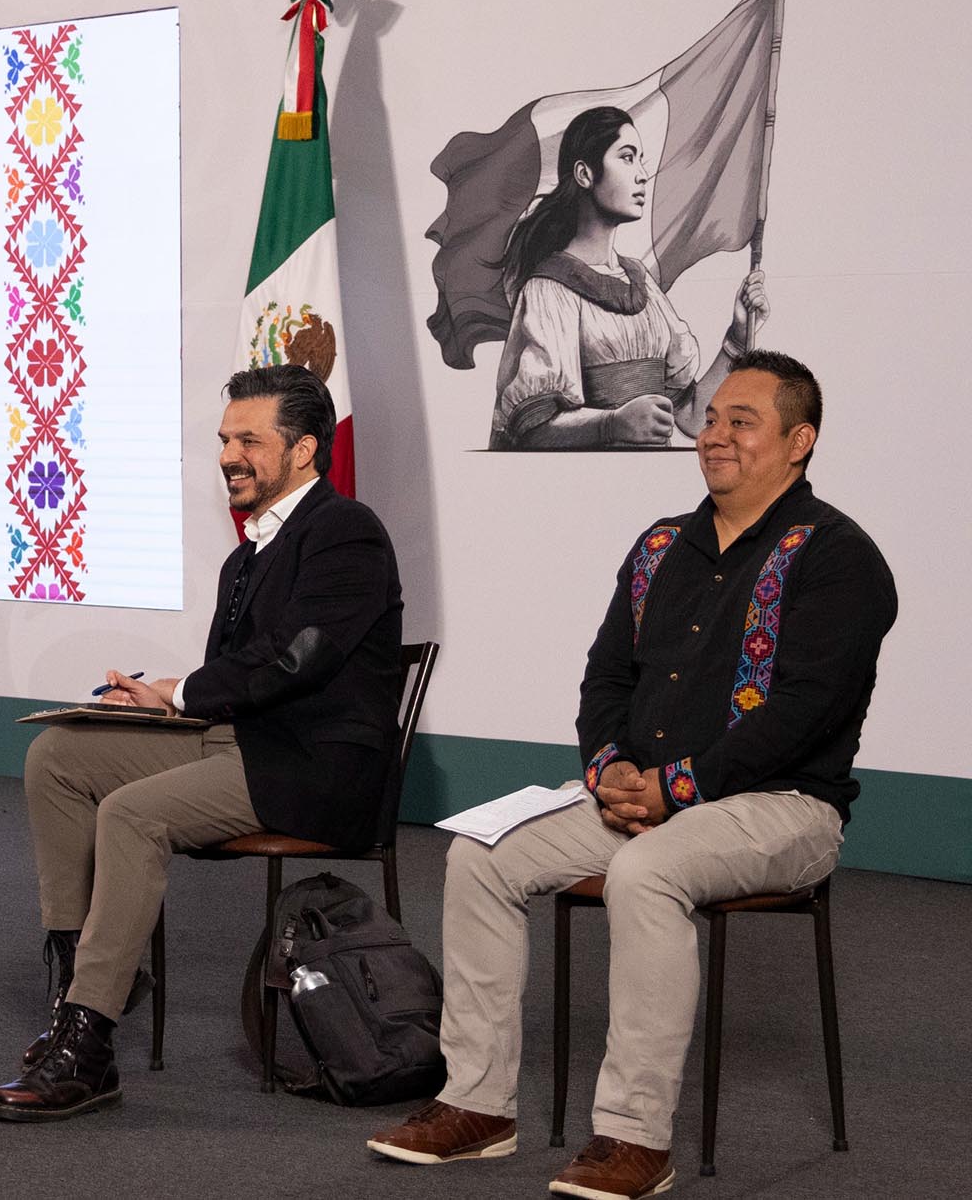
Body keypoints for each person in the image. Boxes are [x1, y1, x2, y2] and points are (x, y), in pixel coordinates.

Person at [369, 351, 896, 1199]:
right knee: (478, 854)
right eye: (711, 417)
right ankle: (477, 1104)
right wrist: (610, 766)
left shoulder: (838, 557)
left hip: (784, 808)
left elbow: (803, 712)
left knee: (646, 872)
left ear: (799, 442)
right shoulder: (659, 546)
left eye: (742, 421)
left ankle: (633, 1137)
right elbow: (606, 677)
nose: (714, 434)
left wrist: (676, 786)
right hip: (642, 796)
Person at [0, 364, 405, 1122]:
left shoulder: (348, 530)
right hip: (239, 743)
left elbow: (298, 657)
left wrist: (181, 691)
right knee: (59, 756)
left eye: (249, 440)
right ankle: (87, 981)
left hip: (314, 770)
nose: (228, 455)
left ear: (304, 449)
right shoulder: (245, 557)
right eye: (224, 439)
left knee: (130, 814)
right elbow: (235, 678)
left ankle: (88, 1043)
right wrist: (155, 703)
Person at [488, 106, 770, 449]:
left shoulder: (642, 283)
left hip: (650, 476)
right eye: (627, 157)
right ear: (584, 174)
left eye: (640, 160)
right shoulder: (549, 289)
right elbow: (532, 430)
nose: (642, 175)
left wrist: (737, 335)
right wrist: (612, 424)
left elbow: (694, 418)